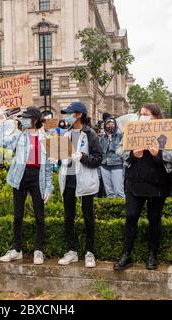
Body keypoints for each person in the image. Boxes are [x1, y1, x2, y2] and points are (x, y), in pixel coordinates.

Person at [114, 103, 172, 271]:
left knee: (154, 218)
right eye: (141, 113)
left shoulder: (167, 129)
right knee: (131, 216)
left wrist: (159, 154)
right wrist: (131, 153)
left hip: (158, 182)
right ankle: (126, 254)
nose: (142, 116)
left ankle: (152, 255)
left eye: (146, 114)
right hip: (135, 181)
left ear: (156, 116)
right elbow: (118, 149)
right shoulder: (133, 128)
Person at [0, 106, 53, 265]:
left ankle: (39, 250)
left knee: (39, 216)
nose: (24, 120)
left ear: (35, 120)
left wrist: (49, 187)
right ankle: (16, 249)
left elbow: (48, 166)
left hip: (38, 178)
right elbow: (1, 142)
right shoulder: (19, 136)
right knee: (17, 215)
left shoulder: (45, 138)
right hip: (20, 176)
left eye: (27, 118)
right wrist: (1, 123)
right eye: (23, 117)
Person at [57, 102, 102, 268]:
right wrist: (56, 159)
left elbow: (98, 159)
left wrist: (82, 156)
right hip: (68, 180)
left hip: (84, 182)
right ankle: (72, 251)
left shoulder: (91, 135)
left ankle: (90, 252)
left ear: (79, 115)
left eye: (69, 113)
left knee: (88, 217)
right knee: (68, 217)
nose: (67, 116)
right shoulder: (64, 134)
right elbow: (60, 158)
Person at [99, 117, 125, 198]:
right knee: (109, 192)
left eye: (112, 124)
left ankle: (123, 209)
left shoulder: (120, 136)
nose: (110, 126)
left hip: (117, 165)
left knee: (119, 191)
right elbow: (101, 151)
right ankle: (111, 209)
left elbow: (123, 151)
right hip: (104, 166)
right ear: (105, 126)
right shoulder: (103, 138)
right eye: (108, 124)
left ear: (115, 125)